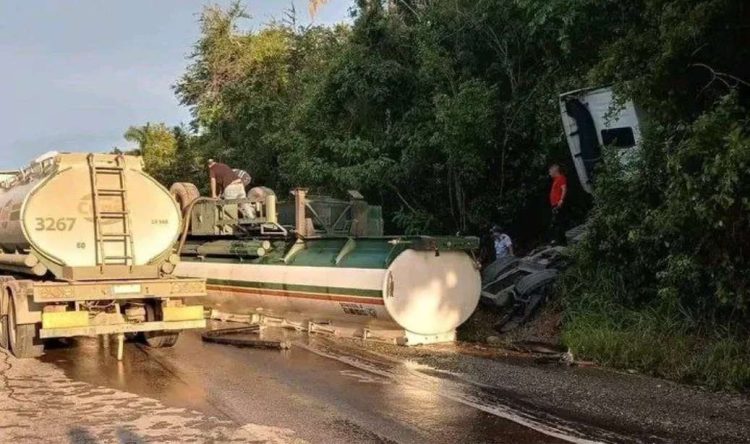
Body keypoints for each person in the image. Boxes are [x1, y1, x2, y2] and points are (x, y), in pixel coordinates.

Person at [548, 163, 568, 245]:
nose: (549, 174)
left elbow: (564, 189)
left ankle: (559, 240)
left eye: (550, 172)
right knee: (557, 222)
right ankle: (561, 240)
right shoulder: (555, 180)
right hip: (554, 204)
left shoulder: (561, 178)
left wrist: (561, 200)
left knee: (556, 222)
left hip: (558, 203)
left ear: (555, 171)